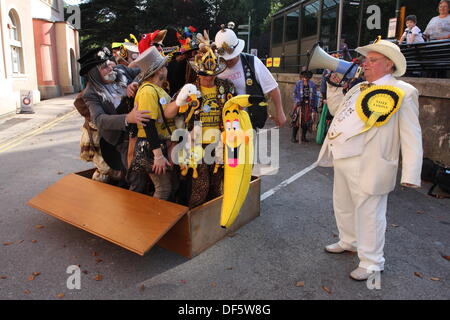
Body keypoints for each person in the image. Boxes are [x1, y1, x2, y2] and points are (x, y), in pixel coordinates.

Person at [317, 38, 423, 281]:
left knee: (370, 214)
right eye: (366, 60)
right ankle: (349, 241)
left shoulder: (404, 92)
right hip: (343, 158)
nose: (365, 64)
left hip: (371, 165)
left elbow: (412, 136)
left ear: (389, 65)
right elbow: (336, 111)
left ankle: (372, 262)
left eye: (372, 60)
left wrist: (411, 174)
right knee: (342, 204)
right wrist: (333, 86)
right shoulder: (358, 88)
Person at [165, 30, 236, 208]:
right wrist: (181, 99)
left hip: (219, 145)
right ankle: (194, 220)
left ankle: (214, 220)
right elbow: (168, 113)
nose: (209, 78)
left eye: (212, 74)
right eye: (205, 74)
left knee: (217, 187)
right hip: (197, 147)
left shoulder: (226, 87)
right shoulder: (190, 89)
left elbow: (236, 112)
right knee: (199, 188)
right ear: (198, 73)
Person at [128, 46, 193, 200]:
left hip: (157, 143)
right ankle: (154, 222)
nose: (166, 68)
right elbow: (147, 123)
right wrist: (157, 155)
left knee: (171, 185)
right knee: (163, 189)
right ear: (158, 71)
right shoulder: (148, 91)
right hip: (151, 146)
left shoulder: (155, 89)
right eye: (164, 66)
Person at [80, 47, 145, 180]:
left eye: (109, 63)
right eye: (105, 67)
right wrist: (128, 118)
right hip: (121, 136)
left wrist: (134, 83)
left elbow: (145, 71)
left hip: (143, 126)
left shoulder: (121, 70)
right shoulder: (90, 93)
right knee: (134, 173)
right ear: (94, 73)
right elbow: (99, 119)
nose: (111, 68)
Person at [214, 26, 286, 129]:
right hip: (223, 124)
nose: (228, 61)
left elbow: (272, 88)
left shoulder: (252, 62)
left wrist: (280, 112)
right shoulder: (214, 67)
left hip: (248, 123)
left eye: (231, 58)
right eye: (225, 59)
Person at [291, 70, 317, 143]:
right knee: (296, 120)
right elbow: (294, 94)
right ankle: (293, 137)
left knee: (306, 120)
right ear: (302, 77)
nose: (305, 78)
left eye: (307, 77)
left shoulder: (313, 85)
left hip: (308, 105)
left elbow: (314, 96)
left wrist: (314, 107)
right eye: (304, 77)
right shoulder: (298, 84)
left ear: (309, 78)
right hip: (299, 104)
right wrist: (297, 101)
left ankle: (303, 137)